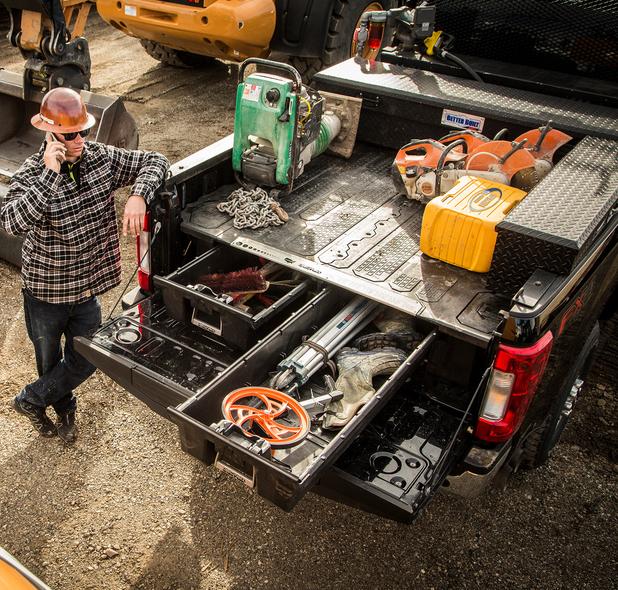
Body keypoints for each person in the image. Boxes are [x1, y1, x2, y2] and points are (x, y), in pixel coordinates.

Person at [0, 87, 169, 443]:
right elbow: (12, 222)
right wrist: (50, 173)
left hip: (87, 288)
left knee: (90, 356)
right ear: (50, 134)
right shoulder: (31, 174)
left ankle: (31, 399)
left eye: (83, 131)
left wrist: (139, 195)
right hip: (46, 294)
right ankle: (62, 411)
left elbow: (156, 160)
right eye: (70, 134)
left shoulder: (101, 158)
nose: (79, 140)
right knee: (49, 360)